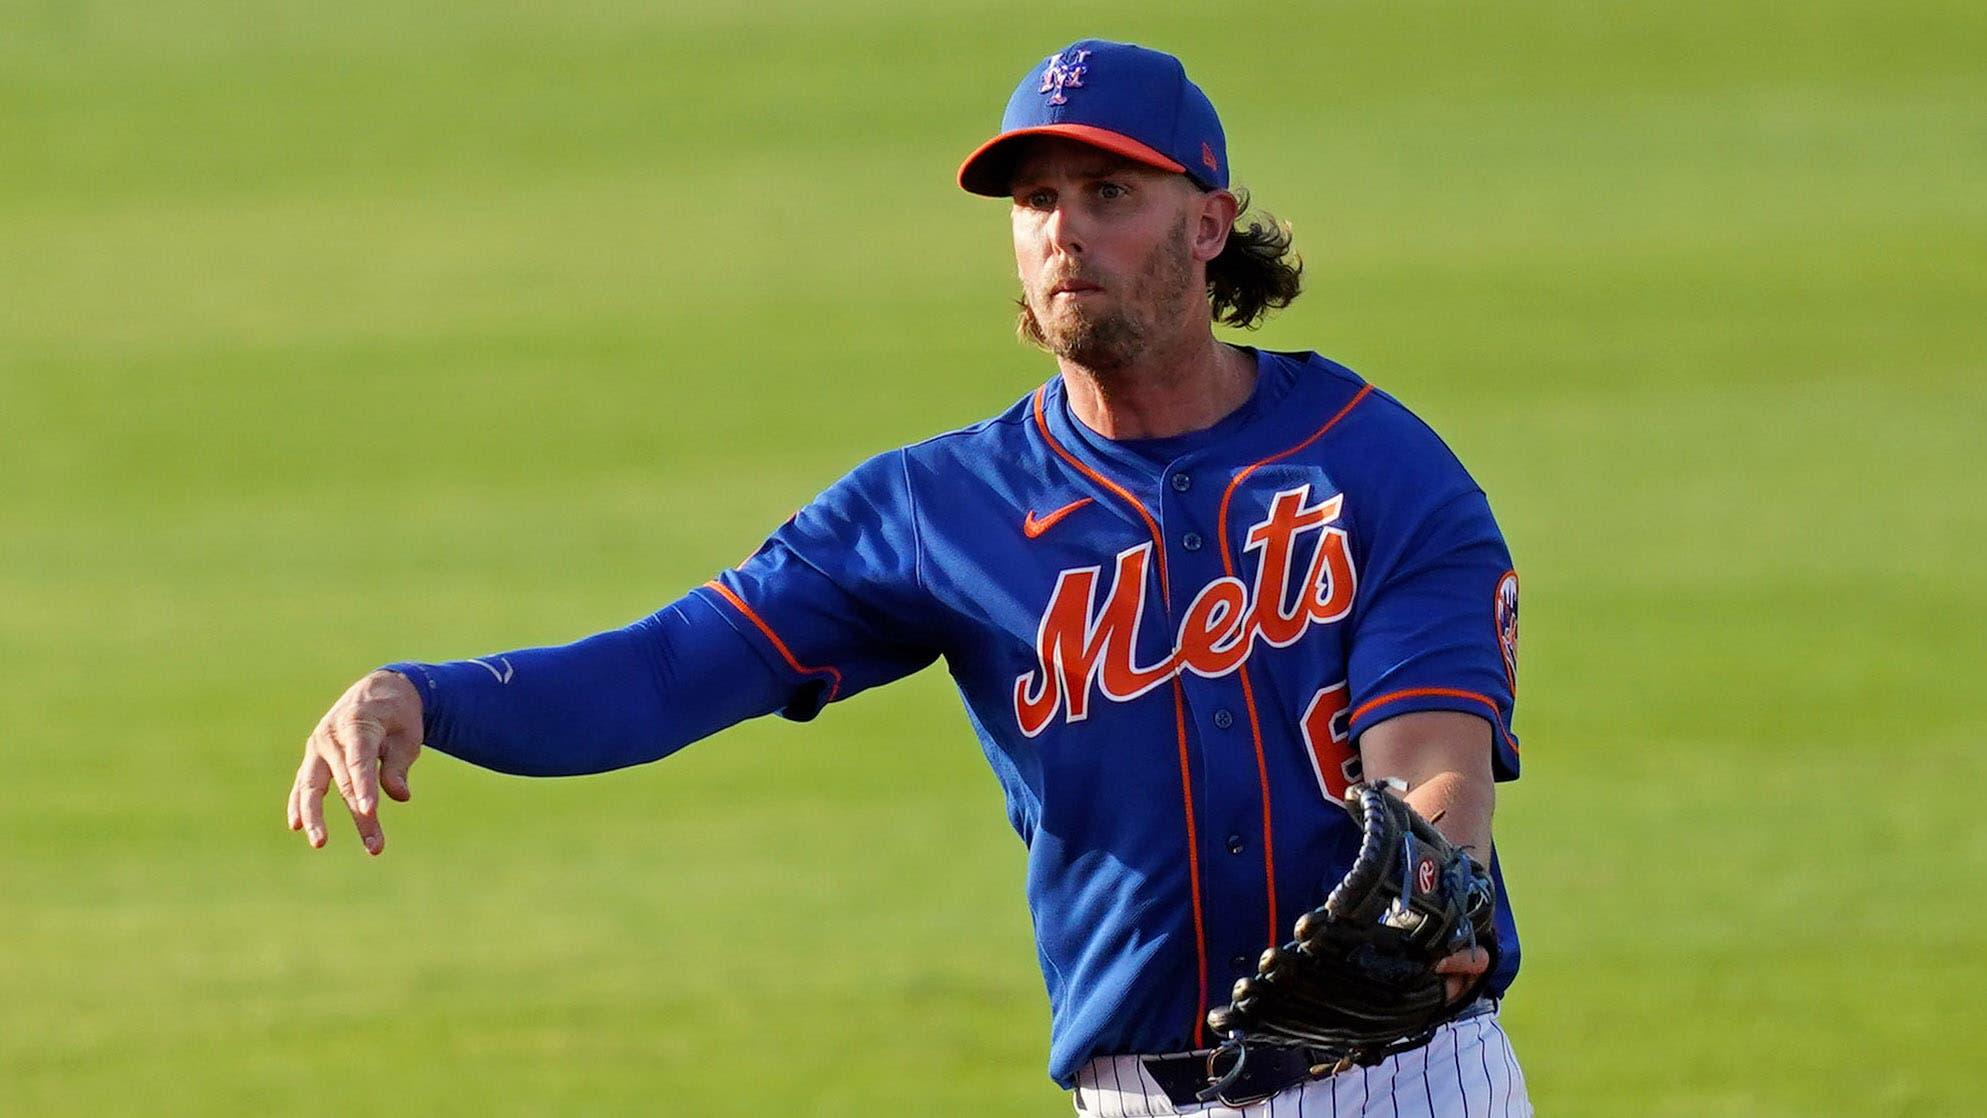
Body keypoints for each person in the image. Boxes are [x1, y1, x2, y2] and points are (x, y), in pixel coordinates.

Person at [286, 39, 1531, 1116]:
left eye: (1110, 192)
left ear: (1208, 224)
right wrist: (424, 694)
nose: (1065, 231)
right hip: (1136, 1092)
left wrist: (1429, 882)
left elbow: (1434, 762)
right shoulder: (939, 509)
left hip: (1406, 1081)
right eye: (1035, 199)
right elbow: (670, 668)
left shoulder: (1372, 460)